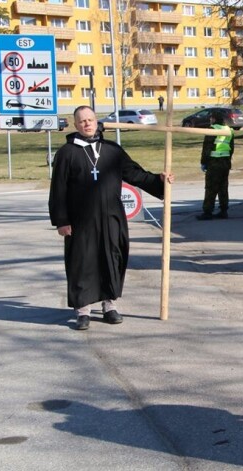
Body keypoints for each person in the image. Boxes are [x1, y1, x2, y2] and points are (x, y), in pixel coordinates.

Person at [49, 105, 174, 331]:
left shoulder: (112, 150)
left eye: (90, 119)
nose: (87, 124)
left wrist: (159, 180)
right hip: (80, 221)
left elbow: (135, 174)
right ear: (75, 124)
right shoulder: (67, 153)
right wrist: (62, 220)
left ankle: (110, 305)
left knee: (113, 258)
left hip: (112, 218)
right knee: (82, 263)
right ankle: (83, 310)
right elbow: (58, 189)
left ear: (96, 121)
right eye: (82, 121)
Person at [196, 111, 234, 220]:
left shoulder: (212, 129)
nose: (210, 120)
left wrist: (204, 162)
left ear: (214, 119)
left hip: (214, 162)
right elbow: (231, 148)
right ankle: (224, 210)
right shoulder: (229, 130)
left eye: (211, 118)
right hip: (225, 162)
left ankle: (208, 212)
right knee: (223, 187)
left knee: (211, 187)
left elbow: (207, 148)